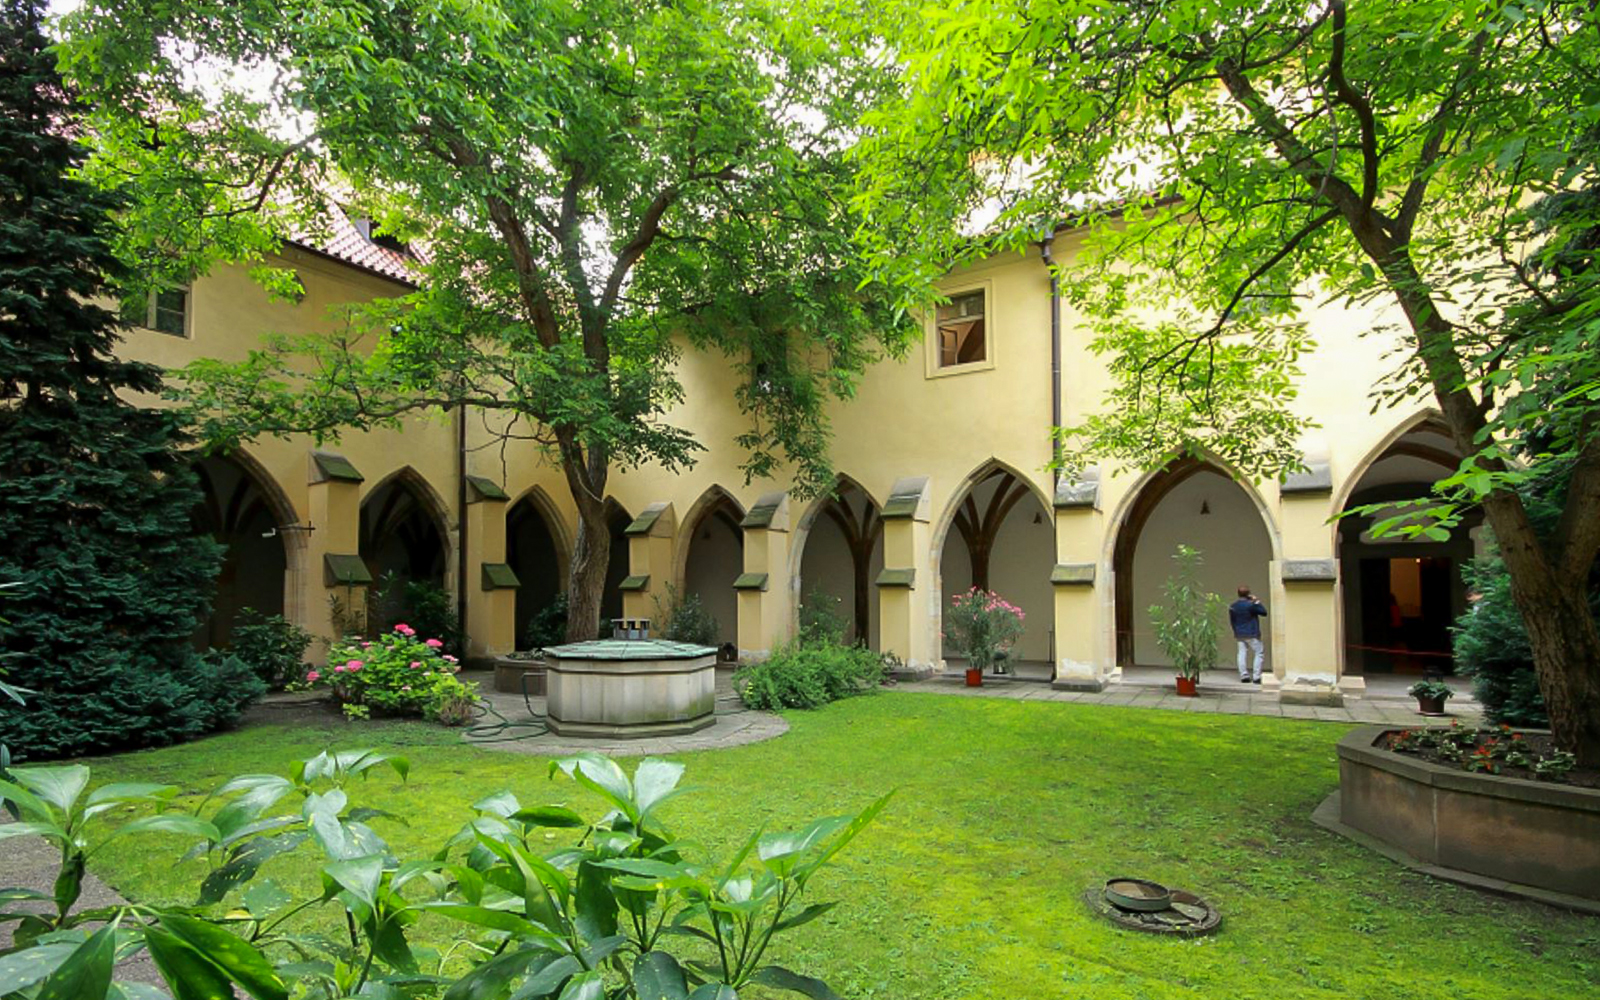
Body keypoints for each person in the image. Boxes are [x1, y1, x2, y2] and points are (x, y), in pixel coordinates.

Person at [1228, 586, 1268, 683]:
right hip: (1252, 633)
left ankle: (1244, 675)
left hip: (1240, 633)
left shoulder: (1233, 606)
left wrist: (1235, 631)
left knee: (1242, 653)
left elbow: (1232, 621)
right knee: (1259, 653)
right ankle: (1256, 677)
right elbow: (1264, 612)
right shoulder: (1251, 605)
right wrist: (1256, 601)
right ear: (1248, 594)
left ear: (1238, 594)